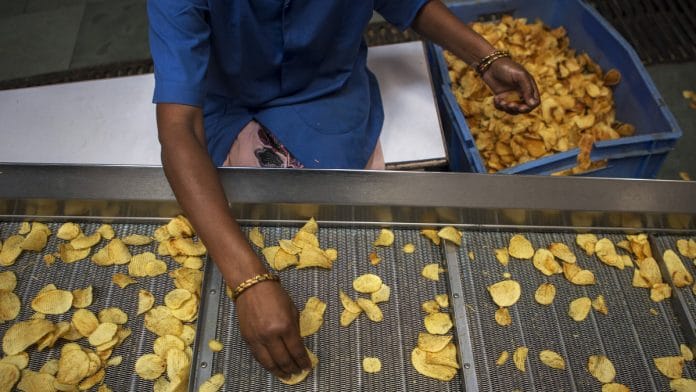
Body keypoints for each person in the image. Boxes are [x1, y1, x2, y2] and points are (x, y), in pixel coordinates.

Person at [148, 0, 539, 380]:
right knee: (245, 217)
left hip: (326, 97)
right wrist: (248, 280)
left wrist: (485, 59)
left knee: (348, 226)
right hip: (225, 100)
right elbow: (180, 127)